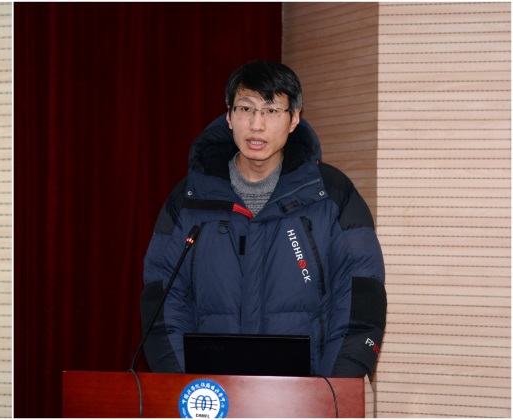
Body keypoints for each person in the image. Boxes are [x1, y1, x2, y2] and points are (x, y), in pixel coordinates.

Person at [141, 61, 387, 378]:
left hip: (307, 395)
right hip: (212, 395)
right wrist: (186, 387)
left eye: (271, 111)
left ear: (294, 118)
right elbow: (163, 303)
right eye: (246, 109)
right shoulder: (189, 200)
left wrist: (331, 390)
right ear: (229, 116)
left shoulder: (332, 196)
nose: (256, 125)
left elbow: (359, 301)